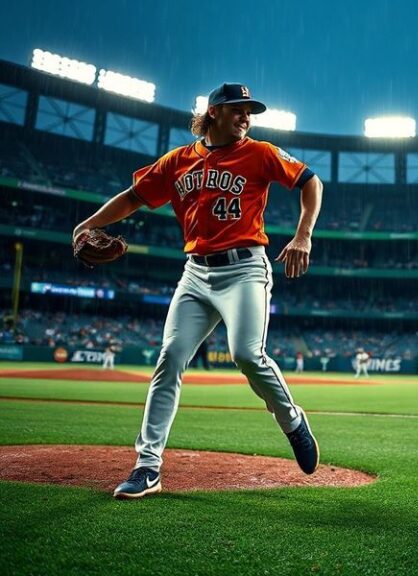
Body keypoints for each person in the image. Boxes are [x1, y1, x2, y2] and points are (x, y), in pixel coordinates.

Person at [73, 82, 324, 499]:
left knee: (247, 354)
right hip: (195, 273)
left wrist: (303, 236)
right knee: (169, 358)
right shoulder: (178, 161)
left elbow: (311, 183)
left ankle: (293, 421)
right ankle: (147, 466)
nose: (247, 117)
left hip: (245, 268)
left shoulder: (260, 153)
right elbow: (133, 198)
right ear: (213, 113)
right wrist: (88, 224)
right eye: (238, 109)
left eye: (249, 111)